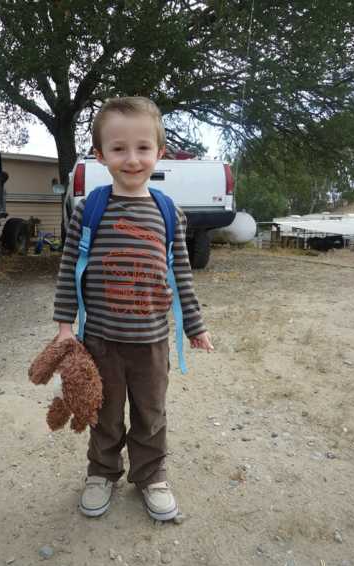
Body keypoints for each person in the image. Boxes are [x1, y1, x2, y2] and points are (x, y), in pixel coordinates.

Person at [53, 96, 213, 521]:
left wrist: (195, 326)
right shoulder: (90, 209)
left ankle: (151, 475)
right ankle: (102, 471)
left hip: (152, 342)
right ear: (100, 154)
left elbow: (181, 274)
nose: (131, 159)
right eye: (119, 148)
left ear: (159, 153)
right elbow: (70, 269)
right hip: (101, 341)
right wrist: (65, 325)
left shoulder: (168, 213)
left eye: (142, 148)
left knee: (151, 413)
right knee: (104, 413)